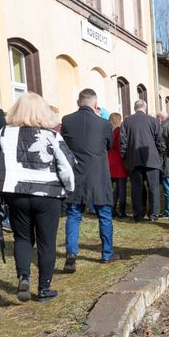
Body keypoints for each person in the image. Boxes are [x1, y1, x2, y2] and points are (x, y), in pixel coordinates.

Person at [0, 93, 75, 302]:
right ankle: (44, 288)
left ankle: (23, 276)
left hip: (15, 192)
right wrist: (68, 188)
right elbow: (67, 166)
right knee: (46, 241)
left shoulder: (3, 134)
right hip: (48, 194)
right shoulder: (52, 136)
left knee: (22, 237)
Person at [61, 88, 119, 272]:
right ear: (96, 104)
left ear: (78, 102)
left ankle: (71, 253)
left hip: (76, 174)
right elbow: (109, 145)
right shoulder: (104, 124)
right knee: (104, 215)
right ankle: (106, 253)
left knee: (74, 215)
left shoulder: (67, 121)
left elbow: (64, 144)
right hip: (98, 175)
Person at [119, 100, 164, 222]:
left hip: (134, 158)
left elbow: (123, 142)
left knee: (136, 188)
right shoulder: (153, 120)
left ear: (134, 108)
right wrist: (160, 155)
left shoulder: (127, 121)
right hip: (152, 158)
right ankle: (154, 214)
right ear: (146, 107)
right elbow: (159, 140)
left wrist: (125, 158)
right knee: (153, 187)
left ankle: (138, 215)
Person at [108, 112, 129, 218]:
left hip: (111, 162)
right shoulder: (119, 132)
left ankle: (112, 208)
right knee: (122, 188)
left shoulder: (109, 132)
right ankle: (121, 210)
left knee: (116, 188)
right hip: (120, 163)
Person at [157, 111, 169, 217]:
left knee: (168, 187)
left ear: (160, 119)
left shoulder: (162, 127)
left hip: (167, 161)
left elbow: (161, 146)